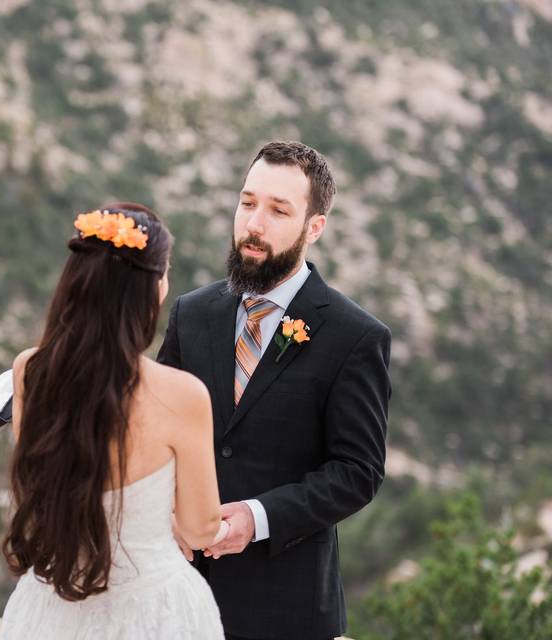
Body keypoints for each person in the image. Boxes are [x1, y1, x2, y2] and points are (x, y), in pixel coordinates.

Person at [158, 141, 392, 640]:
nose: (254, 224)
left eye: (277, 210)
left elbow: (358, 472)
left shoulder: (356, 337)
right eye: (247, 203)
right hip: (175, 597)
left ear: (314, 228)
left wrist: (257, 517)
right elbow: (153, 434)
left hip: (285, 610)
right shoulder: (191, 314)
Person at [0, 203, 226, 639]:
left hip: (52, 604)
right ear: (155, 289)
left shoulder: (30, 371)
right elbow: (201, 529)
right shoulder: (183, 395)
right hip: (154, 613)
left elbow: (40, 487)